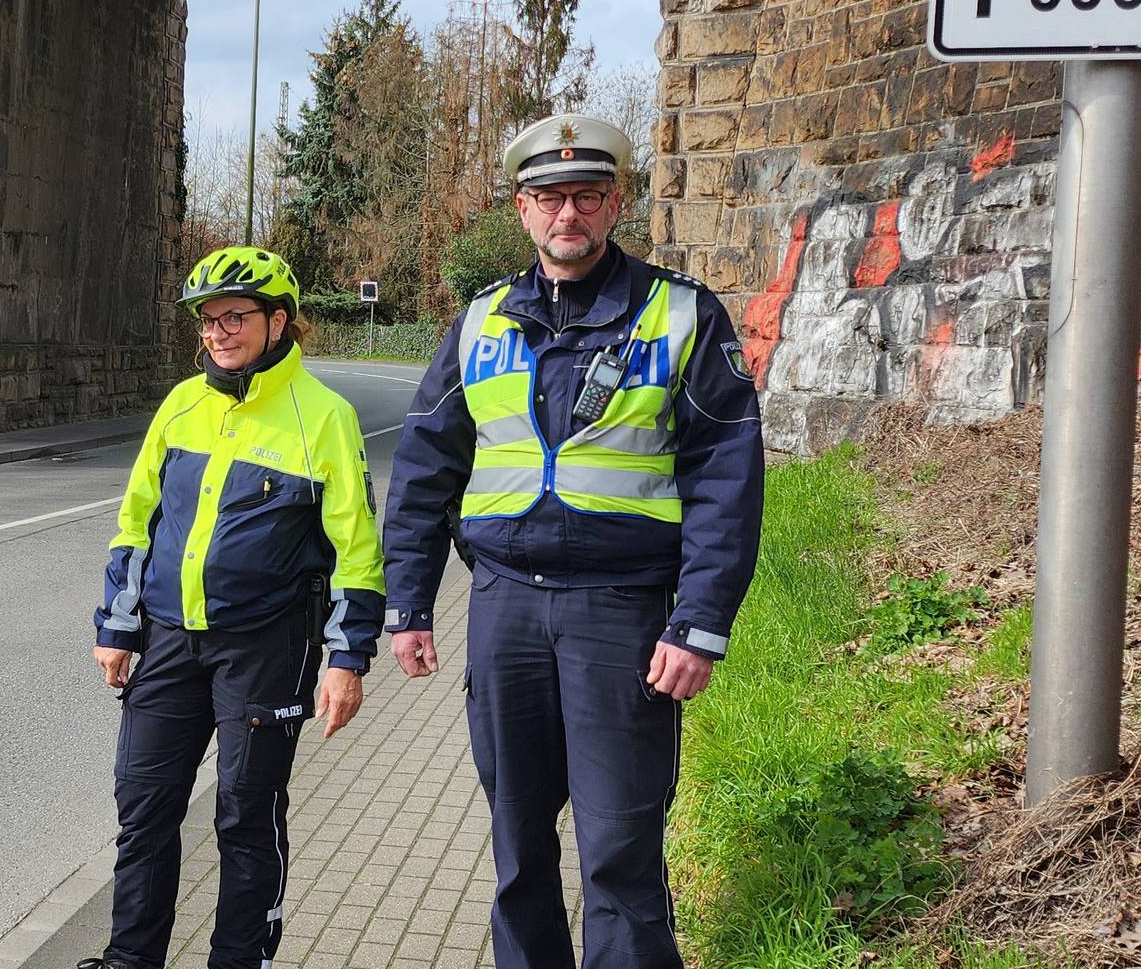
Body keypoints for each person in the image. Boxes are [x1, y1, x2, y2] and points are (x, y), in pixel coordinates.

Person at [380, 116, 762, 969]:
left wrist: (699, 622)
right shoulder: (479, 324)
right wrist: (407, 603)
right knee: (517, 845)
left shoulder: (682, 316)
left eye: (587, 196)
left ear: (615, 203)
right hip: (504, 608)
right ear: (522, 209)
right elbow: (423, 471)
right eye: (550, 197)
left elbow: (726, 481)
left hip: (620, 616)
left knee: (619, 849)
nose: (569, 214)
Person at [82, 245, 386, 969]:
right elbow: (136, 522)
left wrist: (347, 659)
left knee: (246, 816)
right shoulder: (181, 404)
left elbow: (358, 551)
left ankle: (240, 959)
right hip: (164, 642)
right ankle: (131, 960)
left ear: (279, 321)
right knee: (144, 811)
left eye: (235, 317)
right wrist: (118, 624)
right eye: (208, 320)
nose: (218, 332)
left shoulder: (325, 418)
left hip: (264, 647)